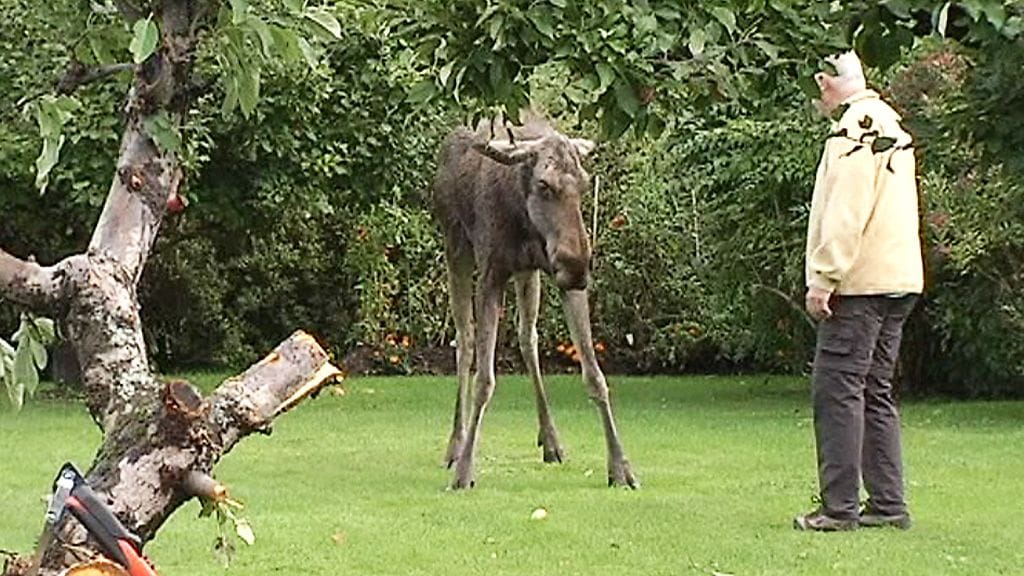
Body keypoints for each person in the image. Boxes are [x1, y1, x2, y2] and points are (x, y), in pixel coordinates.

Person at [793, 51, 924, 532]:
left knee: (837, 389)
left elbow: (846, 213)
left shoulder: (854, 131)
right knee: (874, 390)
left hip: (861, 283)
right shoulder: (889, 122)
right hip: (900, 280)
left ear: (826, 82)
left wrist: (824, 277)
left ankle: (838, 508)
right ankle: (889, 503)